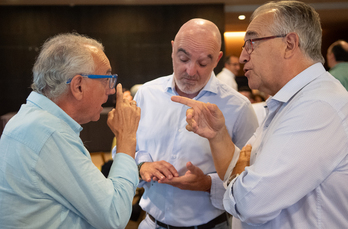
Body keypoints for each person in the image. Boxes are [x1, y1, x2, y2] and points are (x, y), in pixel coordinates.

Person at [172, 1, 348, 228]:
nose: (243, 56)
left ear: (289, 44)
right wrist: (218, 136)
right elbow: (239, 168)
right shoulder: (289, 102)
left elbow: (248, 202)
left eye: (251, 43)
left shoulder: (317, 106)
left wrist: (239, 178)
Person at [0, 33, 141, 229]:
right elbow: (114, 215)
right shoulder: (48, 133)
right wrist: (126, 137)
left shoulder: (30, 119)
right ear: (78, 86)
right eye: (107, 79)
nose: (110, 90)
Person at [132, 18, 258, 228]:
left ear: (217, 59)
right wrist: (142, 165)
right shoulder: (146, 94)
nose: (191, 71)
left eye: (202, 63)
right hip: (151, 223)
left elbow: (252, 176)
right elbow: (124, 149)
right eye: (183, 58)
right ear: (173, 49)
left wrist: (209, 184)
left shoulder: (238, 107)